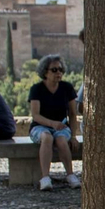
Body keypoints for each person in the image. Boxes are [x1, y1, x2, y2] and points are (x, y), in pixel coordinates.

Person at [27, 55, 80, 190]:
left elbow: (73, 114)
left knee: (61, 139)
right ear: (45, 72)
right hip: (40, 126)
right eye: (54, 70)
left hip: (61, 126)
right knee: (47, 137)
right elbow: (36, 115)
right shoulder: (36, 89)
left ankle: (70, 174)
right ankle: (45, 178)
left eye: (61, 70)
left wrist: (73, 136)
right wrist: (52, 124)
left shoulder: (67, 88)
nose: (58, 73)